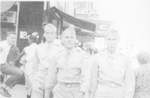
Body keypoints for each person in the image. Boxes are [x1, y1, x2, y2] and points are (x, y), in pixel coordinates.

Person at [44, 26, 91, 98]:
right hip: (60, 91)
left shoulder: (82, 56)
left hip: (75, 91)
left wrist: (82, 92)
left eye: (71, 37)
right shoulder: (57, 55)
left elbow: (86, 77)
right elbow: (51, 76)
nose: (69, 40)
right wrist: (47, 93)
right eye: (66, 37)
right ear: (62, 40)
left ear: (75, 40)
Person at [89, 29, 135, 98]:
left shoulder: (125, 59)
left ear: (118, 40)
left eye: (114, 39)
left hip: (118, 92)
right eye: (109, 39)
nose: (111, 42)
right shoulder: (98, 58)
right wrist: (91, 95)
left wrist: (128, 96)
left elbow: (129, 81)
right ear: (105, 40)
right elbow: (93, 80)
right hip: (102, 91)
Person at [30, 23, 64, 98]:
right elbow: (34, 66)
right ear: (44, 34)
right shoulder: (38, 48)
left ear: (55, 35)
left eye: (51, 33)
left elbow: (62, 68)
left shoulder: (61, 49)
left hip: (53, 78)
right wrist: (33, 80)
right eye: (47, 33)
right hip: (40, 77)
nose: (49, 35)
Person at [0, 31, 24, 97]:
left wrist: (7, 64)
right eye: (11, 38)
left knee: (20, 72)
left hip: (4, 64)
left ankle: (4, 87)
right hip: (1, 66)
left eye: (14, 38)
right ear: (7, 38)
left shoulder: (9, 45)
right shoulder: (3, 45)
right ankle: (3, 87)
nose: (13, 39)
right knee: (19, 73)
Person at [16, 33, 39, 98]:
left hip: (29, 67)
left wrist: (15, 64)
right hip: (37, 67)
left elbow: (19, 57)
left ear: (31, 40)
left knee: (28, 84)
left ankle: (29, 95)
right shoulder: (39, 48)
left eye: (29, 39)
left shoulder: (26, 48)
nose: (28, 41)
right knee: (34, 83)